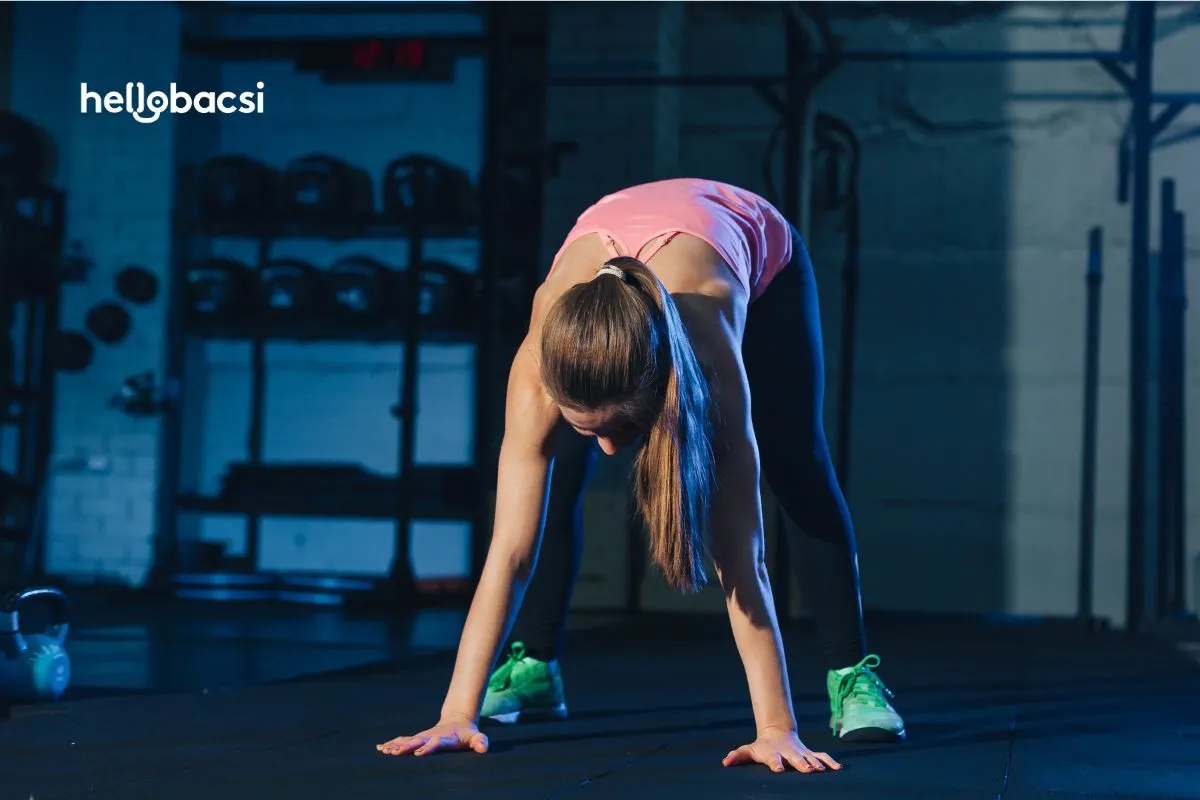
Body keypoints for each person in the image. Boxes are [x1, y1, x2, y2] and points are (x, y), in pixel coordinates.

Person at [378, 179, 904, 772]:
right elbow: (510, 552)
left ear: (660, 392)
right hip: (618, 228)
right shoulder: (536, 363)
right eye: (588, 427)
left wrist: (776, 729)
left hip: (749, 240)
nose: (609, 449)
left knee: (796, 459)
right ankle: (534, 667)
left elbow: (743, 560)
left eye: (622, 429)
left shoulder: (706, 347)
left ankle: (851, 673)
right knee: (558, 477)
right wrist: (456, 714)